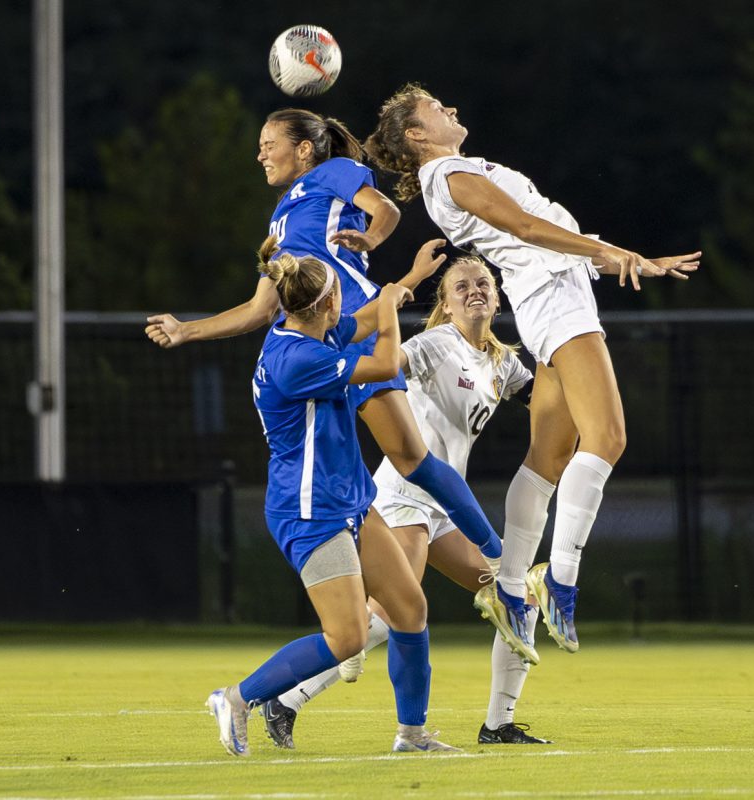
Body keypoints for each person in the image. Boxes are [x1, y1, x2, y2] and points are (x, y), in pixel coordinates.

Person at [362, 84, 700, 657]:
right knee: (609, 438)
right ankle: (560, 579)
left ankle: (514, 587)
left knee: (548, 458)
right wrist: (613, 255)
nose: (452, 109)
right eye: (437, 109)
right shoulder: (447, 176)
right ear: (417, 134)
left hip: (551, 293)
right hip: (552, 297)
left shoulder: (457, 170)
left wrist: (626, 255)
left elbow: (537, 229)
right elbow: (524, 228)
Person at [146, 109, 504, 572]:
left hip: (356, 325)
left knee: (411, 458)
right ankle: (372, 576)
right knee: (364, 462)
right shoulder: (279, 221)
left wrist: (371, 241)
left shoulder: (332, 172)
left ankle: (501, 561)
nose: (260, 154)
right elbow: (260, 310)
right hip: (321, 340)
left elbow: (386, 209)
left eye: (268, 143)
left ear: (304, 149)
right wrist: (186, 330)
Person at [259, 255, 554, 749]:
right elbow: (385, 366)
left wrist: (571, 367)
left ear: (499, 296)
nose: (474, 290)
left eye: (484, 282)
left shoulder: (503, 363)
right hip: (403, 496)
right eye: (461, 285)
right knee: (390, 614)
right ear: (445, 302)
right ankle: (287, 699)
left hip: (441, 508)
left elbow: (547, 397)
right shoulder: (436, 345)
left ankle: (498, 724)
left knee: (517, 599)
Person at [206, 237, 459, 756]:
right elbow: (386, 360)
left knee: (409, 609)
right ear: (327, 303)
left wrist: (405, 282)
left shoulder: (307, 331)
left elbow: (363, 322)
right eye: (341, 290)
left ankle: (411, 736)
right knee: (346, 637)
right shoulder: (299, 359)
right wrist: (389, 308)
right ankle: (236, 698)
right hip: (311, 511)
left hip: (349, 501)